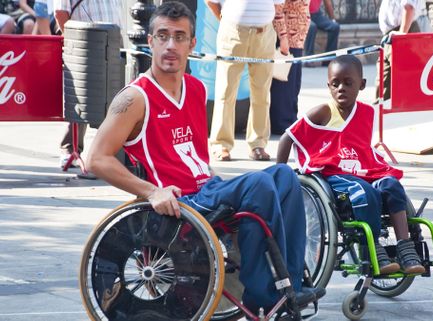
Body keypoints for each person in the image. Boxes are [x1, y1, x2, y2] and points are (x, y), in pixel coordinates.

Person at [86, 2, 323, 315]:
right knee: (261, 185)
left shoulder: (195, 89)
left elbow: (196, 157)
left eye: (179, 37)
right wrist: (150, 191)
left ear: (192, 44)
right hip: (181, 204)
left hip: (207, 191)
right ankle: (261, 294)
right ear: (150, 41)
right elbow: (96, 159)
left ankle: (290, 282)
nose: (171, 45)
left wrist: (221, 185)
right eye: (163, 36)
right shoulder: (134, 98)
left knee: (285, 177)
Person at [276, 55, 425, 275]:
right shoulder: (323, 112)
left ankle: (405, 246)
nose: (341, 89)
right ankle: (372, 248)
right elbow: (287, 138)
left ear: (362, 85)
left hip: (363, 169)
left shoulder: (365, 113)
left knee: (392, 185)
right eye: (335, 84)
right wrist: (281, 173)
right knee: (363, 192)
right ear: (328, 86)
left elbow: (360, 146)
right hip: (333, 172)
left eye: (348, 83)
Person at [206, 0, 279, 161]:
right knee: (226, 91)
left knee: (262, 93)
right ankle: (220, 145)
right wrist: (227, 21)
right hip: (233, 31)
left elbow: (278, 5)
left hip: (264, 33)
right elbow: (211, 1)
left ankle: (258, 144)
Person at [54, 0, 123, 169]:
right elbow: (60, 12)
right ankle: (70, 150)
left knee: (115, 95)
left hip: (113, 38)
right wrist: (75, 39)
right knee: (82, 97)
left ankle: (107, 151)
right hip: (86, 41)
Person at [270, 0, 310, 135]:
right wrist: (283, 37)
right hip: (288, 38)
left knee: (294, 84)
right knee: (284, 84)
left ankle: (290, 119)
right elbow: (277, 9)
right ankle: (282, 123)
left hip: (297, 37)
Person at [377, 0, 419, 105]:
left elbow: (409, 7)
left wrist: (401, 34)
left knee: (400, 82)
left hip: (401, 32)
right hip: (392, 34)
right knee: (384, 83)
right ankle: (382, 113)